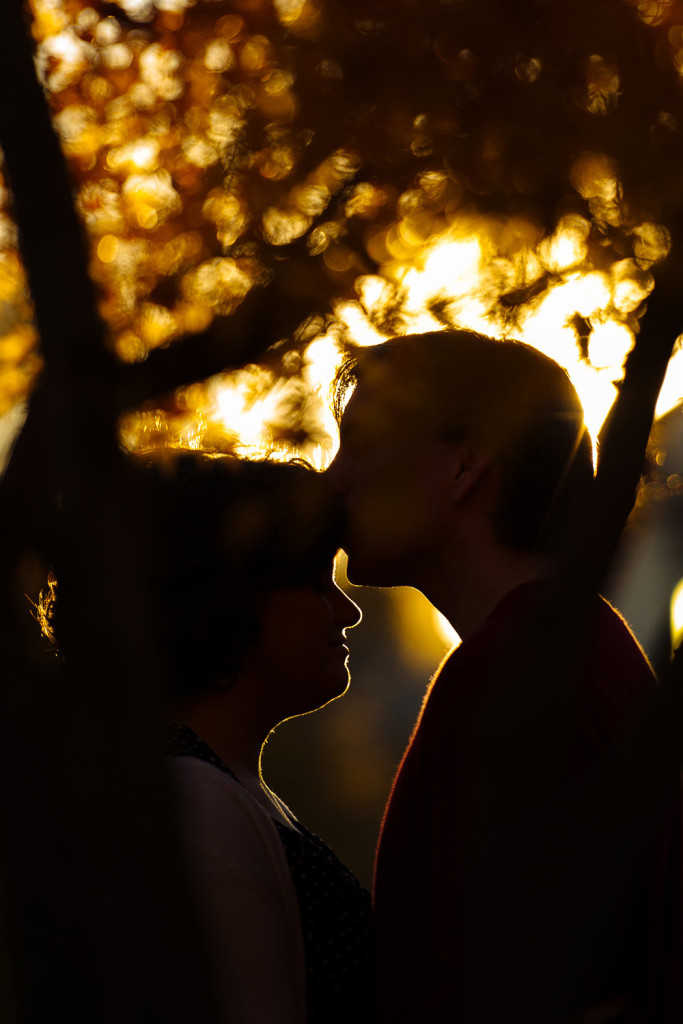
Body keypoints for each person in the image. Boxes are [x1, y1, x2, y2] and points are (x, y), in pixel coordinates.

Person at [328, 329, 682, 1023]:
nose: (333, 477)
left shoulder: (511, 682)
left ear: (465, 466)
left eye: (360, 443)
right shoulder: (581, 649)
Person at [51, 452, 374, 1023]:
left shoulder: (214, 785)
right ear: (232, 592)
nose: (348, 612)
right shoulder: (195, 800)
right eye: (316, 581)